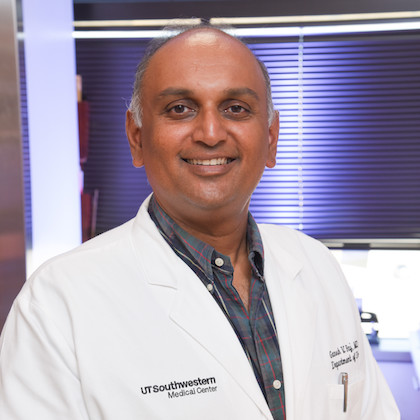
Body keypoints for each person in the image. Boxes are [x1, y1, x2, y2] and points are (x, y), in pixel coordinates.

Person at [0, 25, 399, 420]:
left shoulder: (317, 264)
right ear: (137, 138)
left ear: (271, 138)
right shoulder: (56, 304)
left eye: (235, 108)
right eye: (180, 109)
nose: (210, 133)